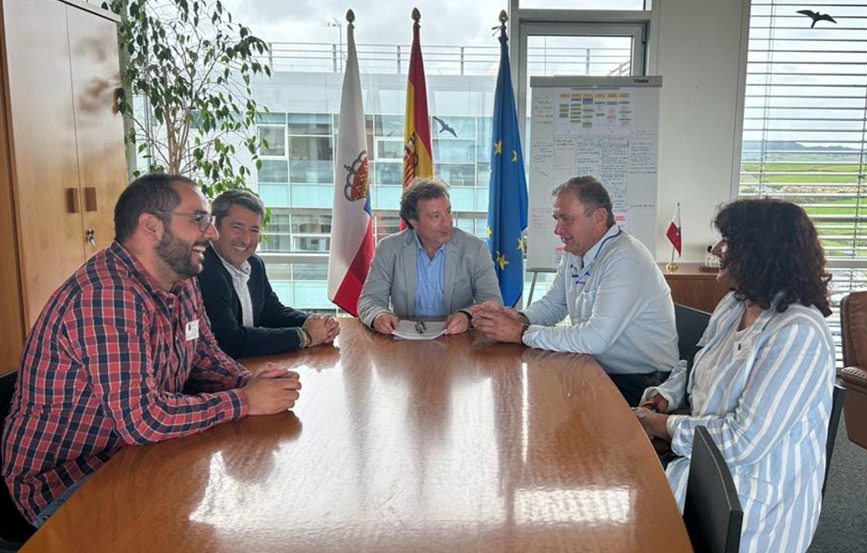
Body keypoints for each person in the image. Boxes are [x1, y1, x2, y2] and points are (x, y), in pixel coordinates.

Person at [2, 174, 302, 527]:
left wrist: (251, 380)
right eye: (199, 219)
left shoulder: (182, 279)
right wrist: (246, 400)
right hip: (67, 485)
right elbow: (143, 419)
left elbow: (204, 356)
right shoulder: (107, 297)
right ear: (150, 226)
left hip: (138, 456)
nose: (212, 233)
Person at [633, 198, 835, 553]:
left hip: (751, 503)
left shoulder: (798, 332)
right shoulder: (735, 303)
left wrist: (658, 424)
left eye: (729, 242)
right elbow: (695, 364)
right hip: (700, 471)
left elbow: (742, 442)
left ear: (760, 254)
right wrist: (666, 395)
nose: (716, 249)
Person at [472, 176, 679, 406]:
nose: (557, 229)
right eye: (556, 219)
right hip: (598, 368)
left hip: (642, 384)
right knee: (524, 394)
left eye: (566, 219)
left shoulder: (625, 257)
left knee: (542, 406)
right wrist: (519, 318)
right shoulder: (576, 250)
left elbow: (595, 338)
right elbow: (555, 303)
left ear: (599, 218)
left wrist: (520, 332)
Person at [197, 189, 339, 358]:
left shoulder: (254, 263)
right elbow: (230, 341)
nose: (246, 239)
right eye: (237, 227)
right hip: (217, 376)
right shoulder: (202, 269)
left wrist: (313, 323)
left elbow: (270, 312)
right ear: (214, 226)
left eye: (254, 230)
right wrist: (305, 336)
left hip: (250, 366)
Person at [358, 178, 502, 335]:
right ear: (414, 222)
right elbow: (369, 299)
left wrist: (467, 316)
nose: (447, 222)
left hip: (459, 341)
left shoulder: (475, 248)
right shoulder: (389, 248)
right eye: (436, 216)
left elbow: (492, 301)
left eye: (448, 212)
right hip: (405, 342)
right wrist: (378, 315)